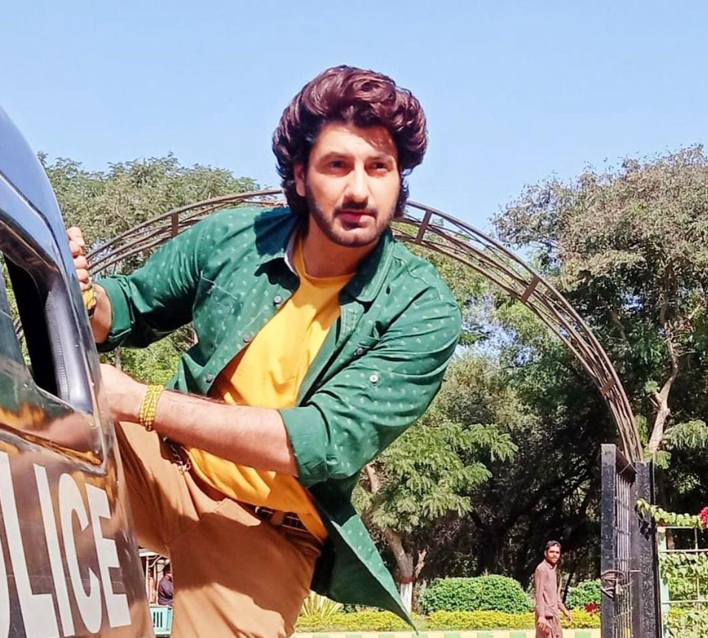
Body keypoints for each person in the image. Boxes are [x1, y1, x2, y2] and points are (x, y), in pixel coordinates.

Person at [68, 65, 461, 638]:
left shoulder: (420, 306)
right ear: (300, 176)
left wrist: (142, 402)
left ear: (399, 180)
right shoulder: (234, 240)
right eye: (337, 165)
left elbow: (321, 442)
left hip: (266, 530)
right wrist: (85, 295)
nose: (359, 189)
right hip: (163, 464)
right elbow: (128, 307)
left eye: (379, 167)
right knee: (26, 425)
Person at [534, 541, 573, 638]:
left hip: (554, 615)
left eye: (557, 552)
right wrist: (541, 616)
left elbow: (556, 597)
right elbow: (539, 594)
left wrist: (565, 611)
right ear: (545, 553)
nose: (554, 555)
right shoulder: (542, 569)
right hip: (545, 618)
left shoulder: (555, 570)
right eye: (551, 552)